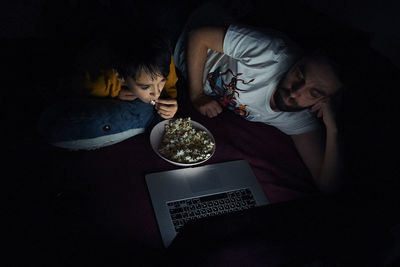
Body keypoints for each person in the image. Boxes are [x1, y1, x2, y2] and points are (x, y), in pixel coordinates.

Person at [174, 21, 343, 192]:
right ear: (298, 60)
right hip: (178, 36)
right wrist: (197, 95)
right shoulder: (270, 52)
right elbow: (198, 36)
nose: (295, 92)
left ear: (325, 101)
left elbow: (326, 185)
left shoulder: (301, 119)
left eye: (313, 93)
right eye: (299, 74)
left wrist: (333, 128)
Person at [38, 30, 179, 150]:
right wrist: (115, 93)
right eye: (145, 87)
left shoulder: (164, 62)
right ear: (121, 77)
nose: (156, 93)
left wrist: (170, 104)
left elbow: (169, 91)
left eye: (162, 81)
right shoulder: (95, 83)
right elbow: (61, 89)